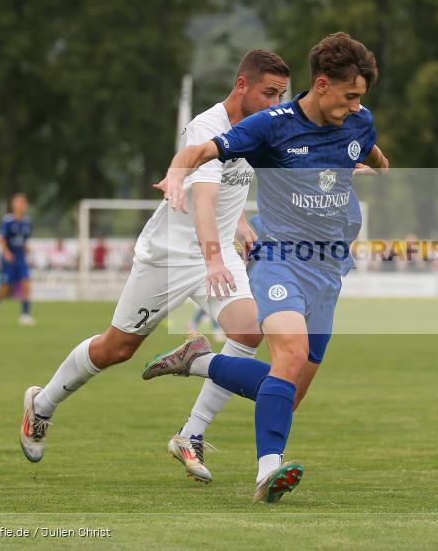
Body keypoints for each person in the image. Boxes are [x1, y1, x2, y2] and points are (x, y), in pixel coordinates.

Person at [18, 51, 291, 483]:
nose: (276, 103)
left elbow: (231, 183)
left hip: (215, 253)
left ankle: (190, 434)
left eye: (281, 95)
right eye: (269, 93)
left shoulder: (259, 127)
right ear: (242, 85)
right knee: (116, 349)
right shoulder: (207, 127)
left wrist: (239, 224)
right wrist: (213, 257)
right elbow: (203, 201)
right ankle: (42, 404)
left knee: (248, 331)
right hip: (170, 258)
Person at [144, 32, 389, 503]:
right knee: (289, 357)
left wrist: (371, 170)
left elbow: (377, 157)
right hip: (277, 259)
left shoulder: (359, 122)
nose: (357, 106)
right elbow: (199, 152)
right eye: (350, 95)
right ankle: (268, 472)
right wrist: (176, 172)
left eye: (361, 97)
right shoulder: (272, 126)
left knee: (288, 394)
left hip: (328, 270)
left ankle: (199, 361)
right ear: (322, 85)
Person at [0, 193, 34, 326]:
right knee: (5, 288)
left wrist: (26, 248)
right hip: (9, 259)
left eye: (23, 203)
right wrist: (6, 252)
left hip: (21, 258)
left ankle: (25, 315)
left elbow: (24, 240)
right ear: (13, 205)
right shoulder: (8, 220)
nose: (20, 205)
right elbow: (1, 238)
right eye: (18, 202)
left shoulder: (27, 222)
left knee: (26, 285)